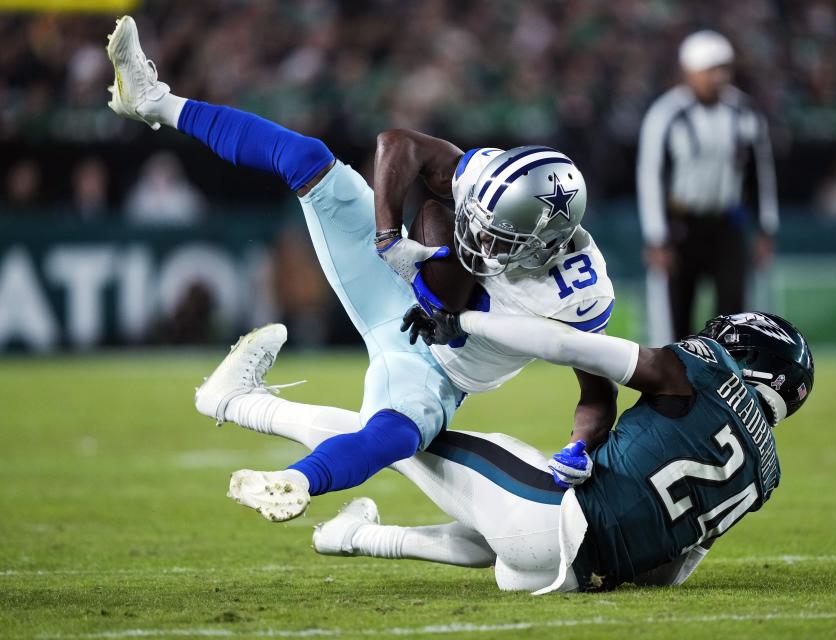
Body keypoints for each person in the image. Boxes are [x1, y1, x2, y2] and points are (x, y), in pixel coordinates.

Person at [105, 16, 618, 518]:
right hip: (398, 278)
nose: (478, 233)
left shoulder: (576, 293)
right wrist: (389, 237)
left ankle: (295, 480)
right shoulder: (490, 179)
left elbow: (597, 394)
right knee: (308, 159)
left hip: (436, 363)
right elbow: (397, 143)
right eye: (481, 218)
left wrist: (579, 448)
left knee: (393, 434)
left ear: (541, 244)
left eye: (497, 235)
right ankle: (154, 100)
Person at [213, 309, 813, 593]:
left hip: (549, 518)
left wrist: (467, 319)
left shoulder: (701, 376)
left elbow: (560, 342)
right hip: (577, 574)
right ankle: (354, 536)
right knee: (511, 527)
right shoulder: (767, 475)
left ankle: (237, 402)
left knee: (396, 436)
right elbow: (674, 567)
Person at [638, 30, 778, 345]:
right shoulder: (667, 114)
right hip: (681, 223)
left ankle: (729, 385)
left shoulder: (745, 111)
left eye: (722, 68)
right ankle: (677, 388)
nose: (717, 77)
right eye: (709, 69)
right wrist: (656, 236)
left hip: (727, 221)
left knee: (735, 317)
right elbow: (650, 177)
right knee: (677, 316)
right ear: (689, 71)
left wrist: (766, 228)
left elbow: (762, 173)